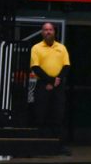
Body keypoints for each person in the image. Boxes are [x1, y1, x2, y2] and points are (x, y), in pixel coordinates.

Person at [29, 22, 70, 150]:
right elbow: (35, 67)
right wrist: (50, 81)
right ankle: (39, 145)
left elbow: (66, 66)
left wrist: (57, 80)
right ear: (42, 32)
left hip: (58, 85)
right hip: (43, 84)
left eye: (50, 29)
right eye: (45, 30)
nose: (48, 32)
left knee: (58, 114)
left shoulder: (61, 48)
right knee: (41, 113)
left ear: (54, 32)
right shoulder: (36, 48)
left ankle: (58, 146)